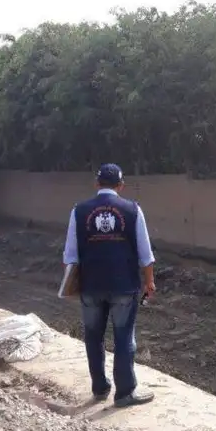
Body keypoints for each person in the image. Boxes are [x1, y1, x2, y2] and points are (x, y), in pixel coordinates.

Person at [63, 163, 156, 408]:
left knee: (93, 337)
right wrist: (149, 281)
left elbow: (70, 256)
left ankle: (100, 388)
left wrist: (72, 285)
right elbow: (145, 254)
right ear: (121, 185)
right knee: (124, 338)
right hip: (124, 285)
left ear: (97, 184)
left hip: (90, 285)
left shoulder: (79, 211)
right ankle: (125, 393)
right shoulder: (133, 210)